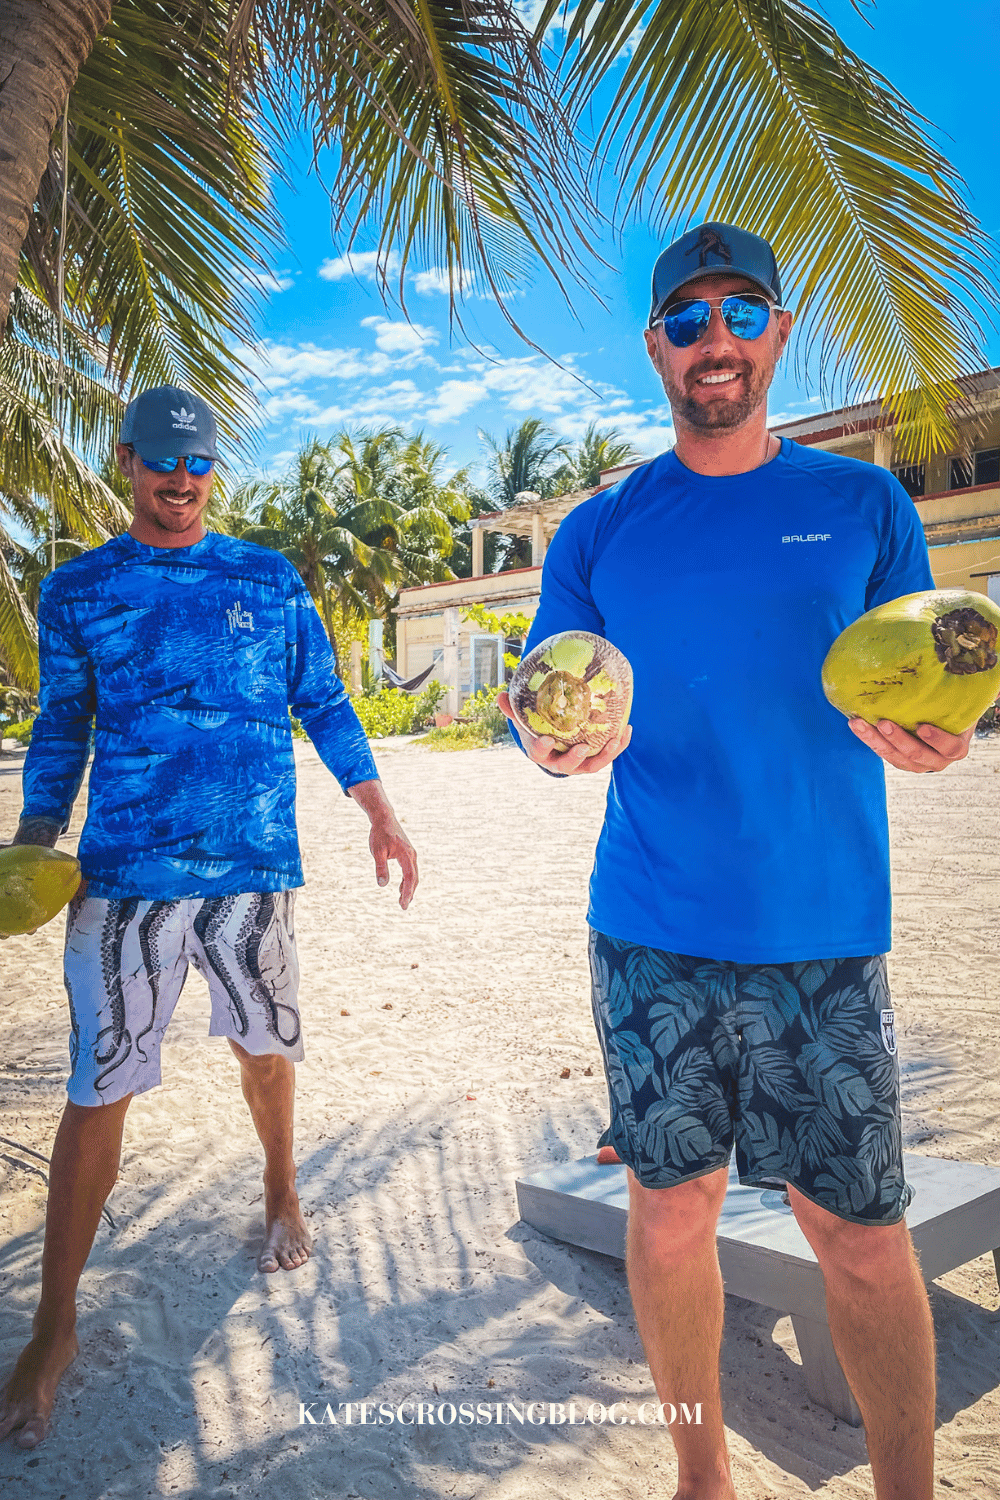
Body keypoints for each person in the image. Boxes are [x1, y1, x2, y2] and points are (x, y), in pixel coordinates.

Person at [499, 223, 975, 1500]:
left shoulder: (861, 503)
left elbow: (922, 677)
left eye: (740, 314)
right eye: (687, 319)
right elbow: (549, 694)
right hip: (651, 926)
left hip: (821, 929)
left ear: (779, 329)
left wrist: (937, 744)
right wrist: (549, 741)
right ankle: (699, 1476)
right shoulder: (599, 530)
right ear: (654, 347)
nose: (715, 340)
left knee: (862, 1239)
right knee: (669, 1212)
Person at [0, 386, 418, 1450]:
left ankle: (282, 1190)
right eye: (161, 464)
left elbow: (321, 699)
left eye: (197, 467)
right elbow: (59, 727)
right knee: (100, 1085)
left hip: (250, 875)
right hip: (126, 878)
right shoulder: (79, 589)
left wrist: (377, 809)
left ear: (212, 472)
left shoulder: (265, 579)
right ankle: (54, 1325)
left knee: (264, 1049)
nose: (179, 483)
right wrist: (36, 844)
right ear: (127, 462)